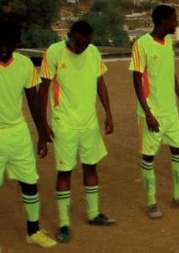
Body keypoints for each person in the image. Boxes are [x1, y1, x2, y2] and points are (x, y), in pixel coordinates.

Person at [40, 20, 116, 243]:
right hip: (64, 123)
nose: (82, 47)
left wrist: (108, 113)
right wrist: (43, 123)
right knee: (65, 171)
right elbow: (43, 88)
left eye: (87, 43)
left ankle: (93, 214)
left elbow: (100, 83)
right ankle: (64, 223)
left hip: (89, 122)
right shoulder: (54, 53)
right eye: (80, 43)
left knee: (91, 166)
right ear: (70, 35)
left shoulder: (93, 52)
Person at [131, 5, 179, 220]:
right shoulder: (141, 45)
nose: (176, 23)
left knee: (178, 152)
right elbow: (136, 81)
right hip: (152, 113)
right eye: (174, 19)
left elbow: (171, 75)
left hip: (170, 112)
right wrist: (148, 113)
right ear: (162, 20)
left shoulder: (168, 43)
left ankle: (178, 197)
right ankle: (151, 202)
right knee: (149, 158)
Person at [0, 18, 57, 248]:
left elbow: (33, 100)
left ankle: (33, 231)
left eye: (9, 44)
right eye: (0, 44)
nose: (4, 48)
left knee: (29, 182)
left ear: (16, 43)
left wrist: (42, 133)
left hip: (18, 133)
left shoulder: (24, 64)